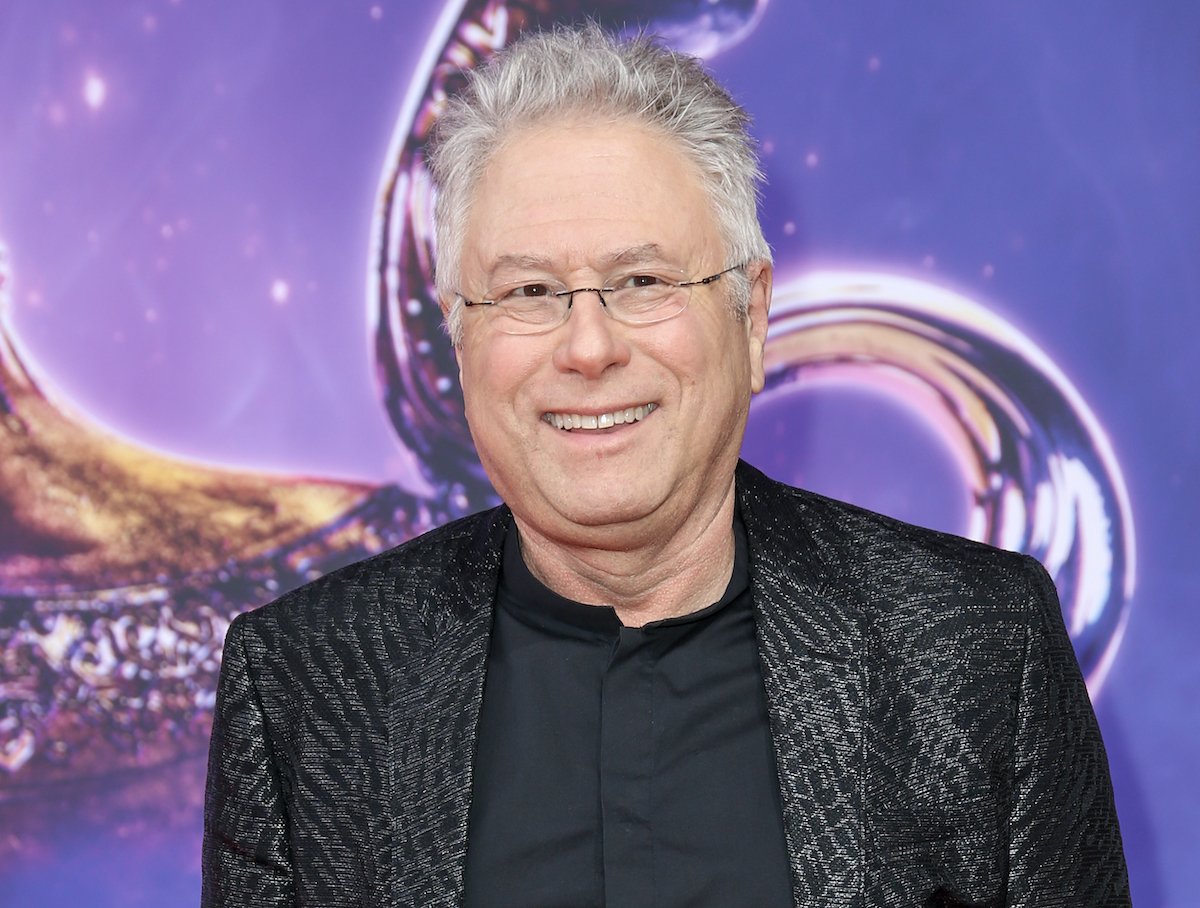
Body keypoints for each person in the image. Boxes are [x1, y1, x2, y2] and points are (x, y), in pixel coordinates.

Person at [201, 23, 1130, 908]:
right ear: (457, 332)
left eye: (644, 281)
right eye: (529, 291)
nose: (589, 345)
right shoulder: (300, 684)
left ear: (753, 315)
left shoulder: (976, 649)